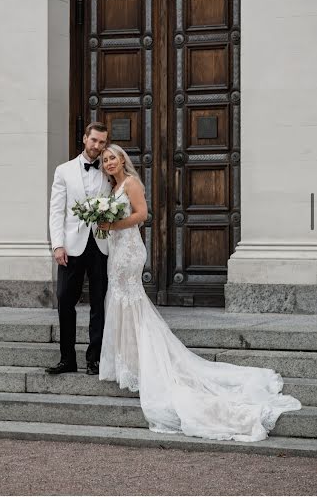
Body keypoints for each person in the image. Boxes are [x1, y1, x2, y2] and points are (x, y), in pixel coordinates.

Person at [98, 144, 301, 442]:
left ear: (122, 160)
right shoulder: (111, 188)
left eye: (112, 158)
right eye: (104, 160)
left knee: (131, 301)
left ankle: (142, 362)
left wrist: (112, 223)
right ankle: (127, 361)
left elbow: (142, 214)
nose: (108, 163)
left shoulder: (131, 183)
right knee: (119, 301)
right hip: (116, 251)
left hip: (129, 251)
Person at [47, 122, 110, 376]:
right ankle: (67, 359)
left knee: (99, 303)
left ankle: (94, 358)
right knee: (65, 300)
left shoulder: (109, 168)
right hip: (71, 246)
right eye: (93, 140)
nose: (97, 146)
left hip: (101, 243)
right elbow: (56, 210)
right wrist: (57, 244)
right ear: (84, 139)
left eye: (102, 142)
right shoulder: (64, 171)